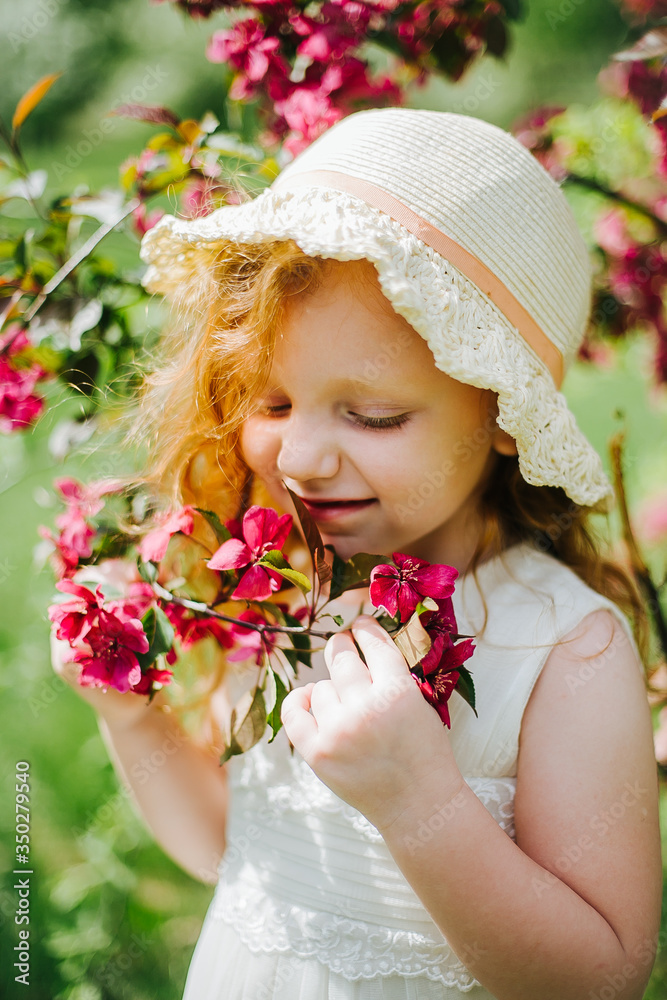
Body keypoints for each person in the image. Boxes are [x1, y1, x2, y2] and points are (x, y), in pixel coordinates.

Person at [51, 108, 662, 999]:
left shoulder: (565, 649)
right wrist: (132, 718)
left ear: (501, 413)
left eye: (372, 417)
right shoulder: (281, 587)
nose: (299, 457)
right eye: (270, 403)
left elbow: (599, 977)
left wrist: (422, 805)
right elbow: (242, 858)